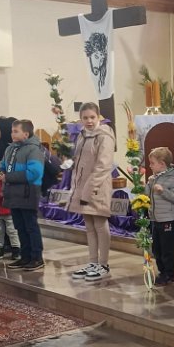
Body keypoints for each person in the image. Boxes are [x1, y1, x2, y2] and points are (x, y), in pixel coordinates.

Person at [67, 103, 116, 283]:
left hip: (97, 186)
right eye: (85, 118)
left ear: (98, 117)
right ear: (81, 119)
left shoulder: (104, 135)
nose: (89, 121)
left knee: (100, 224)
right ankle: (93, 262)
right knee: (89, 226)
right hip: (82, 185)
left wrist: (90, 188)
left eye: (92, 117)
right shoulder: (82, 135)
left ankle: (103, 264)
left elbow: (104, 165)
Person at [0, 120, 46, 272]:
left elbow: (34, 173)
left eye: (16, 131)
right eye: (12, 131)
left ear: (26, 134)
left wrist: (8, 177)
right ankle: (25, 257)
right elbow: (4, 166)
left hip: (28, 192)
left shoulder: (34, 149)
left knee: (30, 226)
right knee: (19, 226)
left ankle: (36, 257)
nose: (12, 134)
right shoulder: (10, 149)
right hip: (13, 193)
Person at [147, 147, 174, 286]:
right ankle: (162, 272)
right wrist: (147, 184)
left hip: (168, 219)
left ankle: (169, 273)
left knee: (166, 249)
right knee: (156, 249)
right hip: (155, 218)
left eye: (152, 163)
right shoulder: (154, 178)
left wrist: (163, 191)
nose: (150, 166)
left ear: (162, 164)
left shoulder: (173, 178)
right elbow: (147, 196)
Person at [0, 175, 20, 261]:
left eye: (1, 173)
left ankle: (16, 249)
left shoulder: (9, 182)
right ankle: (0, 248)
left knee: (12, 231)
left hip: (8, 210)